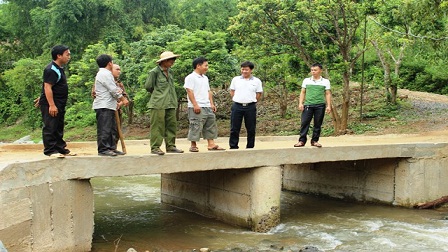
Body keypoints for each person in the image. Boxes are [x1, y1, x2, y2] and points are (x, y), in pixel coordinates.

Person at [38, 45, 75, 158]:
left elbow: (53, 86)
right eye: (67, 54)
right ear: (59, 56)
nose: (69, 56)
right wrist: (51, 105)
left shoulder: (59, 69)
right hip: (52, 104)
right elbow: (47, 87)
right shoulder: (51, 69)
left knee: (58, 126)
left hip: (59, 103)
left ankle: (60, 148)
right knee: (50, 126)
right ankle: (50, 150)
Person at [145, 51, 184, 155]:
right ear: (164, 61)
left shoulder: (170, 72)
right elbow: (149, 86)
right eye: (172, 60)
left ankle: (171, 146)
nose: (173, 62)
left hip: (171, 102)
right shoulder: (154, 72)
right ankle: (155, 147)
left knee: (171, 125)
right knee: (158, 126)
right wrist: (159, 95)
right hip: (158, 103)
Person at [184, 57, 225, 152]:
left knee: (210, 124)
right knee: (195, 125)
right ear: (198, 66)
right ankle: (193, 145)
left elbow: (208, 91)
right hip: (197, 105)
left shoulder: (205, 78)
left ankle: (211, 144)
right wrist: (195, 105)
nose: (207, 67)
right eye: (205, 65)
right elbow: (189, 91)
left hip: (207, 105)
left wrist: (212, 104)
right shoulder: (190, 77)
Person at [92, 54, 129, 156]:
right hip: (103, 105)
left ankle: (112, 147)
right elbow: (113, 90)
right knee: (105, 128)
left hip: (109, 105)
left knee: (112, 128)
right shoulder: (105, 74)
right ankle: (103, 149)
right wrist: (123, 99)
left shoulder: (105, 74)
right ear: (109, 63)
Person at [294, 63, 332, 148]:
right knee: (305, 122)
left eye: (315, 70)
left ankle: (315, 140)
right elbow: (303, 92)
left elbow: (328, 93)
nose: (313, 72)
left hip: (320, 105)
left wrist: (328, 106)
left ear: (320, 71)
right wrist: (300, 103)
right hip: (308, 104)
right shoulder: (306, 80)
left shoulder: (325, 81)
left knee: (317, 123)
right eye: (312, 70)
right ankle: (302, 140)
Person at [229, 61, 263, 149]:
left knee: (251, 128)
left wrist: (252, 101)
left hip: (250, 107)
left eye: (246, 69)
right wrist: (237, 99)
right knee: (234, 128)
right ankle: (233, 146)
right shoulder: (235, 79)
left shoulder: (256, 81)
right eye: (242, 69)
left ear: (251, 70)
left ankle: (250, 146)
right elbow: (232, 91)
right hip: (237, 106)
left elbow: (259, 93)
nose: (244, 71)